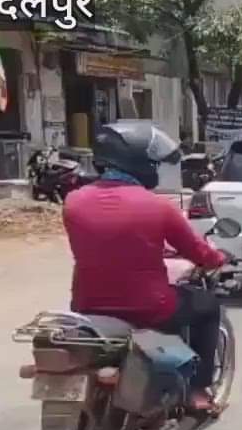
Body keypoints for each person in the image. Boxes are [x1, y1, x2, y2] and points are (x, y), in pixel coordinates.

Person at [63, 121, 232, 413]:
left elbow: (107, 240)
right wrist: (218, 259)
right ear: (139, 162)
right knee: (206, 306)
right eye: (153, 162)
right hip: (150, 307)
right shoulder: (158, 206)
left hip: (87, 306)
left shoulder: (74, 201)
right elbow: (197, 251)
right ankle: (197, 388)